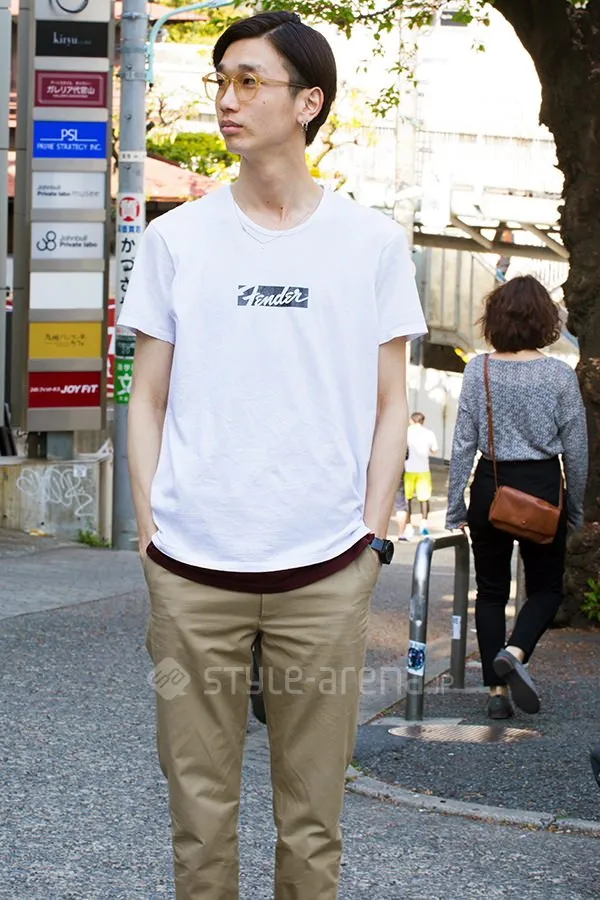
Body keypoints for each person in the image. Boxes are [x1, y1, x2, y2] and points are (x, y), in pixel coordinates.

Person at [119, 11, 427, 899]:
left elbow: (391, 403)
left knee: (313, 821)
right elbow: (148, 399)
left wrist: (371, 539)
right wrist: (150, 533)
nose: (227, 99)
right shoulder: (178, 240)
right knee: (199, 817)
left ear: (308, 102)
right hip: (192, 569)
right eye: (221, 81)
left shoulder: (373, 243)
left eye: (249, 81)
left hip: (326, 571)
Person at [446, 276, 588, 720]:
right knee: (546, 589)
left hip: (491, 486)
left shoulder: (479, 370)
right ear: (546, 320)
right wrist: (575, 507)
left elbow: (463, 442)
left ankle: (495, 694)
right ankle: (517, 651)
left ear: (495, 319)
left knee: (490, 592)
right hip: (542, 489)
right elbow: (577, 449)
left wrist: (455, 503)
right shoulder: (559, 375)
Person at [404, 412, 439, 536]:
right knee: (424, 498)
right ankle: (423, 524)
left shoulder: (406, 432)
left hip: (408, 469)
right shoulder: (429, 434)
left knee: (407, 498)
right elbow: (435, 451)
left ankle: (408, 526)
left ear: (412, 420)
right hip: (423, 470)